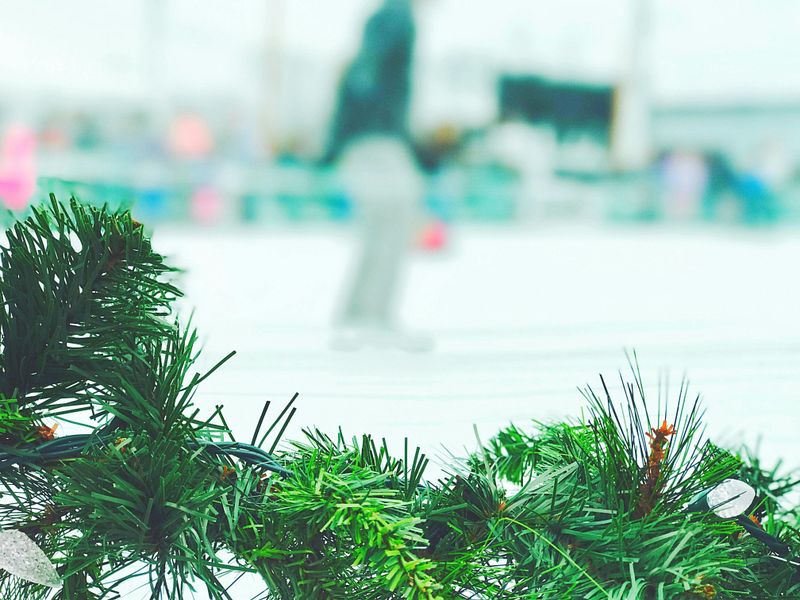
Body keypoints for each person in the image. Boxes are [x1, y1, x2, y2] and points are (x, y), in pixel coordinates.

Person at [325, 0, 431, 351]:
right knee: (394, 218)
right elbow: (367, 71)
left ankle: (359, 314)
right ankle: (371, 317)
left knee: (383, 224)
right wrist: (378, 123)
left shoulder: (391, 15)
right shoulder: (397, 15)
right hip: (377, 138)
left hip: (371, 136)